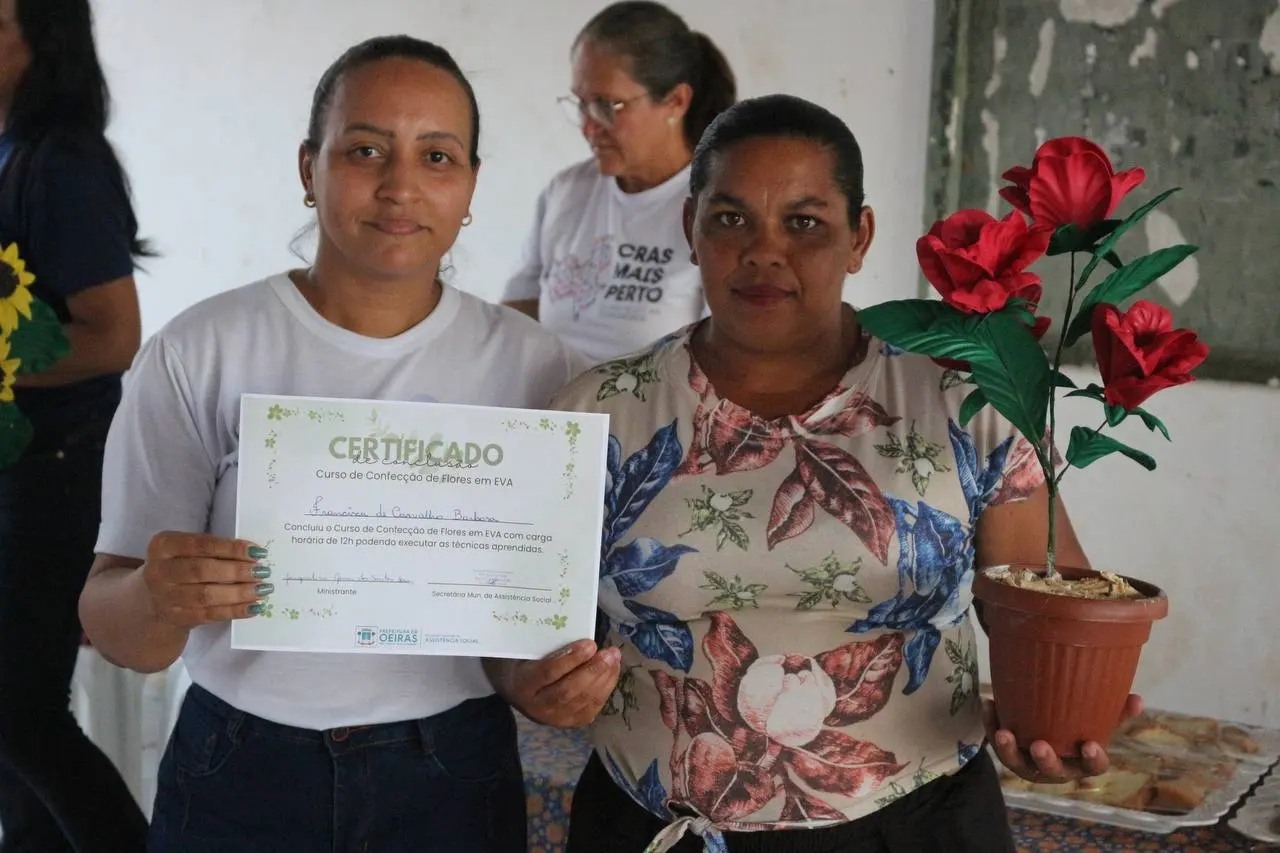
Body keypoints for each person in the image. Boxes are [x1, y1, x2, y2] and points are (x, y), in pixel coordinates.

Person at [551, 94, 1139, 853]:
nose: (765, 251)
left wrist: (1056, 718)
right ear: (688, 226)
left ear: (859, 237)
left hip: (917, 824)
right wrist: (529, 683)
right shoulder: (598, 411)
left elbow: (1040, 603)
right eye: (731, 219)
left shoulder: (962, 398)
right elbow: (529, 634)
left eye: (804, 222)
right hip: (657, 827)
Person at [78, 35, 618, 853]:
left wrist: (543, 684)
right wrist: (158, 593)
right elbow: (121, 630)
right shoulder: (203, 351)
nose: (400, 185)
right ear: (309, 167)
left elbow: (519, 637)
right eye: (365, 149)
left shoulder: (543, 371)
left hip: (449, 769)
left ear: (471, 182)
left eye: (437, 155)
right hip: (241, 764)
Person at [0, 0, 150, 850]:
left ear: (43, 37)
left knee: (19, 711)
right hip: (20, 461)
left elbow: (112, 337)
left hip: (61, 464)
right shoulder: (12, 150)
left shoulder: (64, 162)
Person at [501, 1, 736, 364]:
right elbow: (518, 312)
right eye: (581, 104)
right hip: (555, 412)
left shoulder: (719, 206)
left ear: (675, 101)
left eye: (607, 105)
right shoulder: (567, 192)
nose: (587, 126)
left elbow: (723, 360)